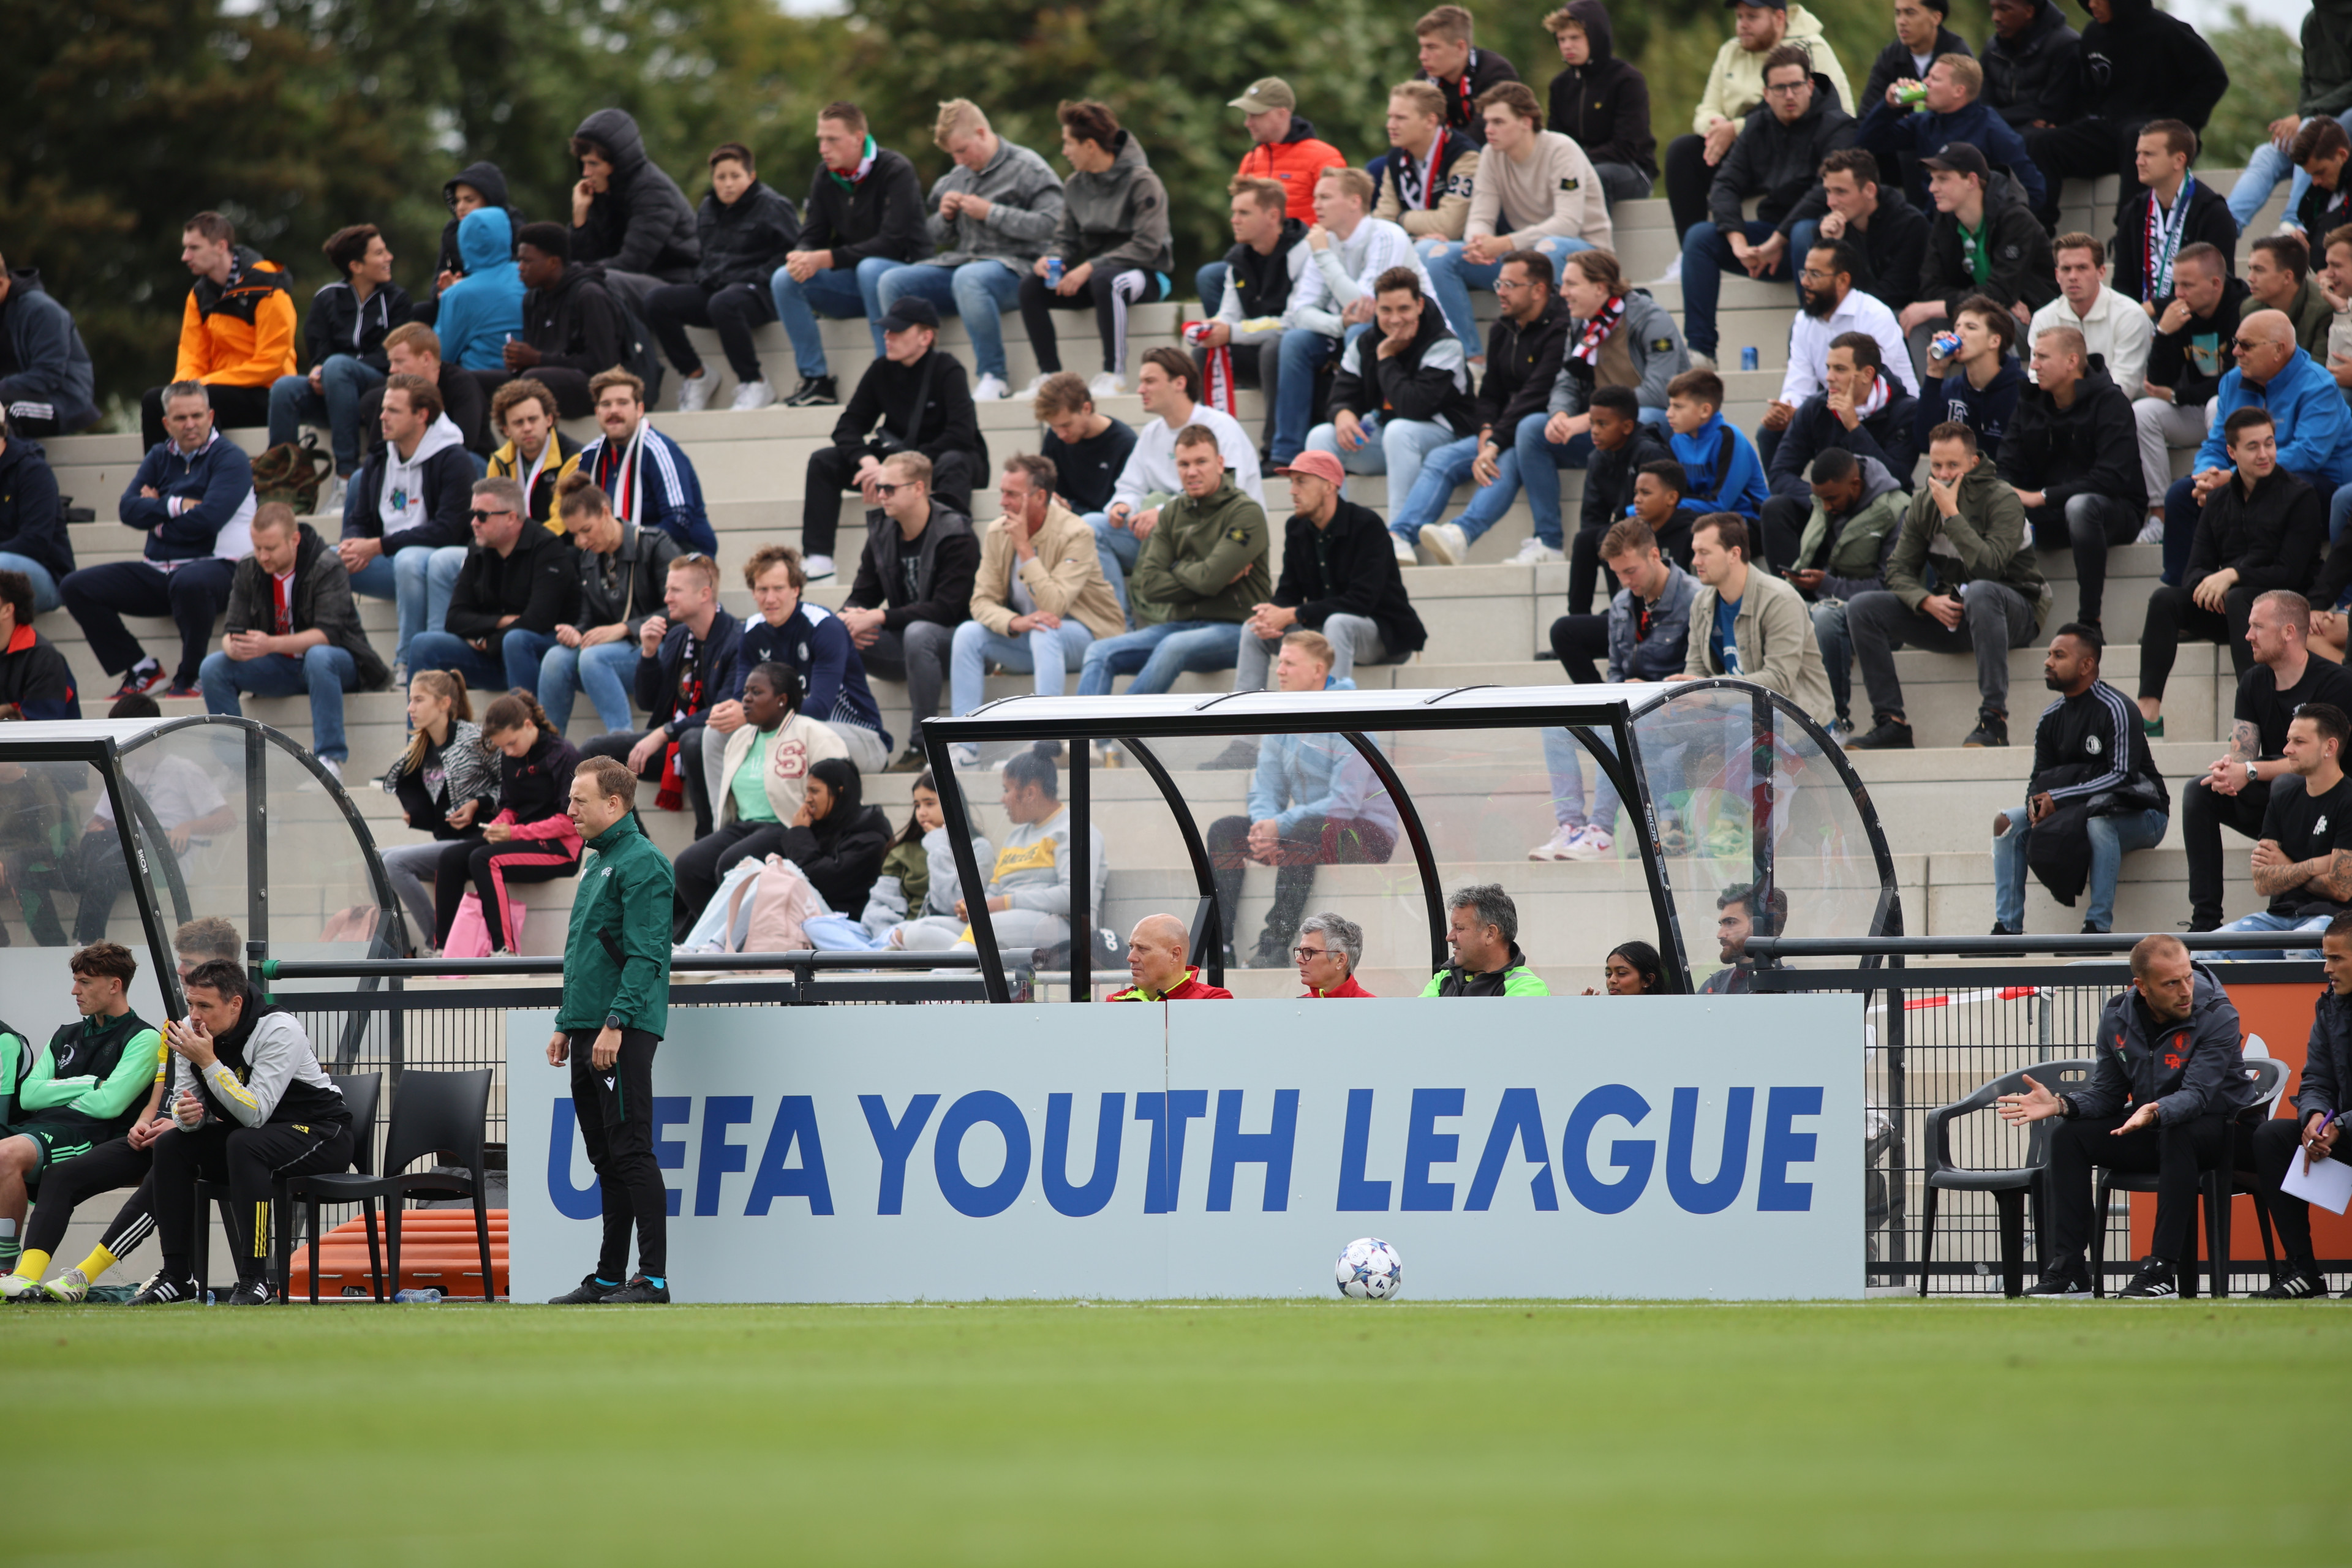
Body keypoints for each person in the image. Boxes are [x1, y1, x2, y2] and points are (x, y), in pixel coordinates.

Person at [2003, 934, 2261, 1298]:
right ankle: (2070, 1268)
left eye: (2187, 977)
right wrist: (2063, 1105)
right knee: (2068, 1136)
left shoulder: (2218, 1013)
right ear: (2141, 986)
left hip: (2227, 1130)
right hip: (2157, 1125)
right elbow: (2108, 1094)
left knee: (2178, 1131)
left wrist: (2155, 1112)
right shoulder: (2116, 1016)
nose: (2185, 990)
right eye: (2171, 983)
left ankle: (2160, 1270)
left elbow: (2197, 1097)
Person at [130, 958, 353, 1306]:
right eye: (191, 1003)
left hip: (321, 1135)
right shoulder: (192, 1028)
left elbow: (254, 1113)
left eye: (205, 1005)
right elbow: (186, 1106)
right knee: (173, 1143)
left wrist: (209, 1061)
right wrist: (188, 1117)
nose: (195, 1015)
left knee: (245, 1143)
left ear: (235, 1004)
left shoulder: (279, 1029)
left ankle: (255, 1278)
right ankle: (177, 1276)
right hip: (250, 1141)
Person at [545, 754, 675, 1305]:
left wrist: (615, 1023)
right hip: (588, 1031)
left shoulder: (642, 862)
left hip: (618, 1031)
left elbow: (647, 955)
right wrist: (565, 1023)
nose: (569, 808)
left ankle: (653, 1279)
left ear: (614, 804)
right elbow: (588, 954)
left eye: (580, 799)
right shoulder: (601, 860)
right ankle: (607, 1277)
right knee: (606, 1158)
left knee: (631, 1151)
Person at [1846, 421, 2048, 749]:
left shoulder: (2003, 499)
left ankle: (1994, 719)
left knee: (1982, 592)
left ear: (1974, 462)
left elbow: (1989, 568)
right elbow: (1897, 569)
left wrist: (1952, 514)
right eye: (1937, 465)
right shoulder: (1924, 503)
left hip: (2016, 610)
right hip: (1956, 613)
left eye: (1953, 465)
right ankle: (1892, 723)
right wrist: (1926, 601)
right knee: (1863, 608)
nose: (1943, 474)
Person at [1207, 631, 1398, 966]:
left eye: (1289, 663)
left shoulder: (1349, 717)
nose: (1279, 670)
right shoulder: (1280, 721)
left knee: (1308, 828)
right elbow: (1265, 789)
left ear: (1318, 670)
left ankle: (1275, 943)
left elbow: (1344, 804)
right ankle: (1221, 947)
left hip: (1366, 834)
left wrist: (1280, 824)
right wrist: (1264, 826)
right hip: (1306, 831)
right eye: (1279, 662)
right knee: (1224, 831)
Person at [66, 380, 252, 700]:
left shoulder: (231, 459)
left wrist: (157, 518)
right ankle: (142, 669)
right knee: (76, 586)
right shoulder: (158, 455)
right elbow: (127, 509)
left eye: (197, 415)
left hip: (219, 570)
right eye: (180, 418)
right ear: (167, 423)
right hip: (161, 571)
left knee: (189, 581)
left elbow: (208, 522)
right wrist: (177, 505)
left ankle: (192, 676)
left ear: (210, 416)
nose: (190, 424)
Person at [1387, 249, 1572, 566]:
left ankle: (1461, 534)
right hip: (1502, 431)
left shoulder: (1562, 327)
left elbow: (1537, 393)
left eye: (1509, 285)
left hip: (1541, 430)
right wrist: (1487, 431)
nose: (1499, 291)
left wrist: (1495, 442)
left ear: (1539, 289)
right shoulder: (1503, 328)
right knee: (1441, 458)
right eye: (1499, 282)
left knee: (1512, 451)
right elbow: (1488, 394)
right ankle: (1400, 536)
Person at [2181, 590, 2352, 928]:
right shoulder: (2253, 681)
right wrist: (2229, 770)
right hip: (2279, 801)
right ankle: (2205, 921)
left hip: (2328, 803)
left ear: (2289, 632)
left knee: (2288, 783)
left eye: (2257, 627)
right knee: (2199, 792)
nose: (2247, 636)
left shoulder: (2337, 682)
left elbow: (2316, 763)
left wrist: (2250, 769)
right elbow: (2243, 754)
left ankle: (2292, 891)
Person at [1534, 517, 1699, 861]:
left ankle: (1601, 831)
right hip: (1632, 707)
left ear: (1655, 555)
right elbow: (1615, 669)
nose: (1624, 582)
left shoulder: (1695, 598)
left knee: (1615, 728)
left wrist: (1649, 690)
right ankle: (1571, 827)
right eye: (1617, 574)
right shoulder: (1624, 603)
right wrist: (1621, 689)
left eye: (1631, 571)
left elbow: (1698, 673)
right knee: (1555, 726)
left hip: (1676, 713)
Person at [1678, 46, 1852, 372]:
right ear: (1765, 93)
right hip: (1771, 244)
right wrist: (1739, 244)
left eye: (1796, 86)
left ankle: (1816, 345)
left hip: (1823, 237)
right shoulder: (1757, 127)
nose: (1789, 95)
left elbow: (1823, 193)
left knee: (1804, 232)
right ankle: (1701, 353)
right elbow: (1724, 185)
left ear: (1810, 86)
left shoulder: (1837, 125)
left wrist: (1777, 242)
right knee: (1699, 238)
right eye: (1780, 88)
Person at [1989, 625, 2169, 937]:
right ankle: (2007, 929)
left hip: (2143, 814)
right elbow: (2038, 780)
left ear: (2087, 665)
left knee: (2099, 823)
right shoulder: (2050, 718)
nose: (2048, 662)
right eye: (2048, 655)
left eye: (2059, 656)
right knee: (2007, 823)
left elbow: (2122, 776)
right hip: (2079, 811)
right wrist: (2035, 807)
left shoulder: (2118, 709)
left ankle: (2098, 926)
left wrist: (2059, 798)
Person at [877, 100, 1062, 404]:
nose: (958, 160)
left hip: (1018, 270)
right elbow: (931, 237)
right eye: (952, 154)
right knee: (893, 281)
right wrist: (946, 217)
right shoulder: (957, 176)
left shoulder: (1029, 168)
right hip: (965, 265)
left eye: (962, 150)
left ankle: (994, 377)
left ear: (981, 132)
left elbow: (1054, 225)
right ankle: (911, 376)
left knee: (969, 279)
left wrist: (992, 213)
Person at [0, 943, 163, 1280]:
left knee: (5, 1155)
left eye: (85, 982)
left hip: (87, 1137)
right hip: (38, 1126)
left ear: (114, 985)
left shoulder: (143, 1038)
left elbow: (109, 1106)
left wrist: (56, 1091)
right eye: (76, 981)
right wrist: (89, 1083)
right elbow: (29, 1096)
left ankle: (4, 1270)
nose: (75, 991)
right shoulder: (66, 1034)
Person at [1517, 251, 1687, 565]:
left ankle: (1643, 534)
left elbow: (1661, 392)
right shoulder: (1582, 324)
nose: (1562, 292)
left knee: (1646, 420)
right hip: (1605, 431)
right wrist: (1560, 415)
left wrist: (1588, 422)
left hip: (1655, 430)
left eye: (1570, 284)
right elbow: (1566, 381)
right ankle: (1549, 542)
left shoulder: (1650, 318)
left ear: (1600, 287)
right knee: (1531, 429)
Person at [198, 502, 390, 781]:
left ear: (295, 539)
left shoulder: (327, 565)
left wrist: (269, 645)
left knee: (318, 655)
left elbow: (328, 634)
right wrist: (235, 647)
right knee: (213, 667)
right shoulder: (249, 568)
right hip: (283, 668)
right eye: (258, 547)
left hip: (341, 664)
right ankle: (239, 765)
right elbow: (233, 630)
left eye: (271, 548)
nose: (263, 556)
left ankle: (329, 758)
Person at [1417, 81, 1611, 358]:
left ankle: (1552, 351)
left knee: (1549, 248)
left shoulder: (1561, 149)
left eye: (1498, 122)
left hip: (1583, 255)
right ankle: (1470, 357)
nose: (1488, 130)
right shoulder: (1490, 155)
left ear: (1525, 122)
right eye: (1486, 122)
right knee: (1435, 255)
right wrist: (1479, 243)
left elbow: (1568, 224)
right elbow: (1481, 216)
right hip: (1526, 258)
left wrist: (1504, 243)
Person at [803, 295, 986, 583]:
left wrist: (897, 469)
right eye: (887, 330)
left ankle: (952, 550)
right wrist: (869, 462)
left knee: (954, 462)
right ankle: (819, 560)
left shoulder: (947, 369)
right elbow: (847, 426)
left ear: (926, 337)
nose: (888, 337)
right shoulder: (881, 370)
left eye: (898, 331)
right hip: (893, 461)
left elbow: (960, 435)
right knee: (824, 461)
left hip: (944, 459)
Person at [2164, 311, 2352, 590]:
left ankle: (2268, 586)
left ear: (2279, 350)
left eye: (2247, 345)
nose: (2236, 352)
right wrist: (2207, 475)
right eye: (2236, 342)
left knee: (2284, 489)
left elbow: (2308, 454)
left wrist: (2232, 477)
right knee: (2183, 494)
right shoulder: (2231, 381)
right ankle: (2184, 595)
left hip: (2316, 485)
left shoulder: (2318, 384)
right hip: (2249, 478)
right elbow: (2217, 443)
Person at [1078, 425, 1270, 697]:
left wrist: (1180, 570)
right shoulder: (1171, 513)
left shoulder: (1246, 512)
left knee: (1173, 646)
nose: (1192, 471)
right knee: (1099, 652)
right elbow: (1150, 585)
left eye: (1201, 462)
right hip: (1180, 625)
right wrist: (1205, 575)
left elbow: (1210, 580)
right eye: (1184, 464)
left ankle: (1111, 735)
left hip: (1237, 629)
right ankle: (1081, 738)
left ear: (1220, 463)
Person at [765, 102, 930, 410]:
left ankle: (890, 374)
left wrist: (825, 259)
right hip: (854, 282)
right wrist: (802, 257)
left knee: (871, 269)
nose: (823, 148)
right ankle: (816, 381)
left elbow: (892, 244)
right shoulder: (825, 175)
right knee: (785, 280)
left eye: (832, 139)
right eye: (820, 139)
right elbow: (811, 235)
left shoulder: (896, 169)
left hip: (904, 281)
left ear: (858, 138)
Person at [951, 453, 1124, 744]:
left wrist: (1023, 547)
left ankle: (1044, 741)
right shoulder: (998, 531)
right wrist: (1016, 622)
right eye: (1002, 492)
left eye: (1011, 494)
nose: (1003, 502)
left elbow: (1054, 606)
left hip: (1091, 639)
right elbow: (980, 601)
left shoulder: (1077, 532)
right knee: (967, 635)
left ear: (1040, 496)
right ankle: (962, 748)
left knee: (1045, 630)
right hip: (1033, 638)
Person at [2018, 0, 2230, 231]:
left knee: (2136, 135)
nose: (2092, 5)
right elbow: (2087, 95)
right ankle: (2035, 232)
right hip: (2112, 132)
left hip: (2162, 138)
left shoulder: (2166, 30)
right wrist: (2061, 123)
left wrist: (2178, 124)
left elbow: (2214, 78)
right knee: (2040, 141)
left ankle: (2130, 232)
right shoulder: (2093, 34)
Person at [1265, 167, 1428, 466]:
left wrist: (1325, 257)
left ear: (1355, 202)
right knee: (1295, 342)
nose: (1315, 206)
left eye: (1325, 197)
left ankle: (1363, 428)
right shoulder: (1325, 240)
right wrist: (1338, 324)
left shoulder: (1387, 235)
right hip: (1353, 331)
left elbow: (1368, 307)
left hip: (1415, 337)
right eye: (1315, 198)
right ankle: (1286, 453)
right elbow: (1300, 312)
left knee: (1360, 333)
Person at [673, 662, 851, 932]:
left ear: (782, 700)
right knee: (688, 866)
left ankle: (733, 940)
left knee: (732, 863)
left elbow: (840, 788)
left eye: (757, 692)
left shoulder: (815, 734)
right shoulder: (740, 737)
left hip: (789, 827)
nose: (746, 698)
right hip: (743, 825)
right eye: (746, 691)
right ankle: (723, 936)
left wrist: (810, 826)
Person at [1018, 100, 1173, 400]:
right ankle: (1050, 375)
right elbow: (1066, 239)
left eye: (1068, 143)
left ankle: (1114, 375)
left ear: (1089, 146)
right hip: (1094, 278)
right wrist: (1053, 260)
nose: (1064, 152)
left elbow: (1147, 246)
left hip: (1146, 276)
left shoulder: (1144, 182)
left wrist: (1090, 267)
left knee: (1107, 280)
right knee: (1030, 286)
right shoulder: (1075, 185)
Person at [1235, 450, 1425, 693]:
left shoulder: (1367, 525)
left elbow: (1361, 601)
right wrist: (1272, 615)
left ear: (1329, 486)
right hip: (1324, 631)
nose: (1292, 491)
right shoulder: (1297, 528)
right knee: (1253, 631)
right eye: (1292, 482)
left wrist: (1295, 613)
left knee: (1339, 623)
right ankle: (1243, 730)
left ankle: (1331, 728)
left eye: (1301, 481)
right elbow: (1288, 591)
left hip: (1383, 636)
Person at [580, 552, 741, 839]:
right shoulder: (679, 636)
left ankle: (708, 841)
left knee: (694, 740)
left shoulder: (736, 638)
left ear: (705, 594)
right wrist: (649, 653)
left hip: (714, 743)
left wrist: (666, 732)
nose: (666, 598)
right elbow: (648, 702)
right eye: (667, 589)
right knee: (595, 751)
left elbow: (722, 711)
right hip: (675, 740)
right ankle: (636, 848)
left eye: (675, 590)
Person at [1668, 0, 1858, 241]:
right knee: (1682, 152)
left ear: (1779, 18)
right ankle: (1687, 249)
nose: (1742, 25)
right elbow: (1706, 108)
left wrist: (1734, 129)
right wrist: (1717, 127)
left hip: (1802, 149)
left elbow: (1822, 108)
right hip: (1750, 148)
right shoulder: (1730, 51)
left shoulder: (1811, 49)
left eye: (1752, 17)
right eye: (1739, 17)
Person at [894, 742, 1105, 957]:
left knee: (989, 926)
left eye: (1007, 790)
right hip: (1003, 923)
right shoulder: (1015, 837)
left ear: (1030, 793)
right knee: (917, 931)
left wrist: (1003, 903)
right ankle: (995, 966)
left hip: (1057, 927)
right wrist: (974, 906)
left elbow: (1073, 897)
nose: (1002, 799)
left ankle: (952, 978)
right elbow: (995, 889)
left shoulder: (1075, 830)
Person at [704, 543, 891, 784]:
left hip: (860, 738)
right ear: (753, 593)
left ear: (796, 589)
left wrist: (752, 713)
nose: (770, 599)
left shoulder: (825, 627)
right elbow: (743, 698)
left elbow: (819, 709)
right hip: (791, 731)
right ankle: (725, 821)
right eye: (762, 589)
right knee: (713, 735)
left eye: (778, 588)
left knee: (796, 732)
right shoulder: (751, 631)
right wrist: (730, 711)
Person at [1091, 349, 1262, 609]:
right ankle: (1119, 624)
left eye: (1150, 381)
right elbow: (1130, 486)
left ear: (1180, 383)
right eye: (1141, 382)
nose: (1140, 390)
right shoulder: (1151, 434)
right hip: (1170, 538)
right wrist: (1123, 505)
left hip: (1217, 539)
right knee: (1093, 527)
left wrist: (1162, 512)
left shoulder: (1221, 427)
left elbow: (1227, 494)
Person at [1998, 323, 2144, 628]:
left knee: (2080, 507)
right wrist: (2009, 494)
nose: (2033, 365)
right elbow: (2006, 465)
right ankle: (2002, 613)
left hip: (2111, 513)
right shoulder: (2029, 402)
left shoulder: (2111, 402)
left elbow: (2111, 478)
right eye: (2033, 356)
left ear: (2072, 361)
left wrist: (2042, 497)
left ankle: (2090, 620)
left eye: (2041, 357)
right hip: (2047, 516)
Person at [1302, 266, 1477, 514]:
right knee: (1320, 437)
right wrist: (1342, 414)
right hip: (1394, 443)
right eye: (1386, 310)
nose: (1395, 319)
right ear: (1376, 308)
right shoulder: (1365, 343)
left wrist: (1386, 358)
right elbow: (1341, 395)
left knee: (1399, 431)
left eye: (1403, 309)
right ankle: (1333, 538)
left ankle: (1398, 538)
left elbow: (1412, 407)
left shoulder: (1444, 345)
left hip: (1446, 439)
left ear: (1419, 305)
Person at [841, 450, 978, 767]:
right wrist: (847, 618)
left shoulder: (956, 533)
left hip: (957, 645)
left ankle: (923, 744)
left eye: (890, 488)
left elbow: (946, 609)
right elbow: (862, 594)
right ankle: (858, 742)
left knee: (919, 633)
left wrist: (880, 616)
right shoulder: (882, 534)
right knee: (836, 632)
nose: (881, 495)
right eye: (879, 488)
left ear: (918, 488)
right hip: (908, 646)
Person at [648, 141, 801, 414]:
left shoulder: (773, 206)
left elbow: (791, 256)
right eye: (721, 177)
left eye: (735, 176)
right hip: (719, 291)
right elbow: (706, 256)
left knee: (724, 303)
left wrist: (752, 278)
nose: (727, 184)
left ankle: (754, 382)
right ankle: (696, 376)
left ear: (751, 177)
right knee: (657, 301)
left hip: (760, 295)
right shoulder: (708, 209)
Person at [336, 371, 472, 673]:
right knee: (328, 562)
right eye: (384, 409)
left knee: (409, 561)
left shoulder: (454, 459)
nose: (382, 417)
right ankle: (356, 659)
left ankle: (406, 660)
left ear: (422, 415)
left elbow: (447, 531)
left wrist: (379, 545)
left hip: (438, 563)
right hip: (388, 558)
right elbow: (359, 519)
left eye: (393, 411)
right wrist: (354, 544)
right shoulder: (379, 459)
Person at [2248, 908, 2352, 1297]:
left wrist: (2340, 1124)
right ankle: (2303, 1272)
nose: (2326, 968)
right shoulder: (2329, 1005)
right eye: (2325, 957)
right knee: (2272, 1136)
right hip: (2341, 1131)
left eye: (2336, 958)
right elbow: (2317, 1078)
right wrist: (2313, 1118)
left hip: (2345, 1128)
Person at [431, 690, 581, 956]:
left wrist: (513, 833)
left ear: (528, 725)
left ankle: (505, 949)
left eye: (511, 743)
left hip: (559, 849)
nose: (508, 751)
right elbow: (511, 805)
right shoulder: (508, 757)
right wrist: (497, 826)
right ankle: (444, 949)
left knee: (485, 859)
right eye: (502, 747)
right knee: (450, 858)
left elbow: (569, 821)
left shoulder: (563, 753)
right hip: (522, 840)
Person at [70, 703, 235, 943]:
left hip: (165, 858)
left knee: (102, 862)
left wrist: (187, 827)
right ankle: (79, 942)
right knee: (52, 861)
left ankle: (87, 945)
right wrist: (96, 829)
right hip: (123, 853)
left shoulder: (183, 770)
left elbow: (228, 820)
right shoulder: (122, 770)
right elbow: (99, 821)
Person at [265, 224, 411, 488]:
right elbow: (319, 349)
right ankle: (281, 481)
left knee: (338, 366)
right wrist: (320, 371)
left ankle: (345, 477)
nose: (389, 257)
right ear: (356, 266)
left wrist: (334, 369)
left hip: (374, 386)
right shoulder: (327, 297)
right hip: (334, 389)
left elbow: (391, 356)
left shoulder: (397, 300)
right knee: (284, 387)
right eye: (379, 253)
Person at [404, 477, 575, 699]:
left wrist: (487, 639)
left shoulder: (546, 547)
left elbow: (537, 620)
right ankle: (419, 734)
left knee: (517, 640)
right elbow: (455, 618)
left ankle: (527, 728)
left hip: (540, 653)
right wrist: (499, 623)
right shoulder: (478, 548)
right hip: (495, 658)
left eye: (482, 516)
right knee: (423, 644)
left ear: (512, 518)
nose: (474, 522)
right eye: (472, 515)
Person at [538, 471, 680, 734]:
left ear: (606, 513)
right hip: (615, 651)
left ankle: (621, 746)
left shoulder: (654, 543)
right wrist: (577, 632)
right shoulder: (590, 557)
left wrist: (626, 628)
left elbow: (681, 610)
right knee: (555, 658)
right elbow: (588, 615)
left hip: (658, 651)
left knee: (593, 658)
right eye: (574, 535)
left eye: (586, 530)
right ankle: (548, 749)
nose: (581, 542)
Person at [139, 212, 294, 450]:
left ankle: (203, 478)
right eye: (185, 248)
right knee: (155, 400)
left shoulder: (267, 286)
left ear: (221, 246)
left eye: (194, 248)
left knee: (207, 399)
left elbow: (269, 364)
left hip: (268, 394)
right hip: (217, 389)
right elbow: (191, 355)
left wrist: (204, 385)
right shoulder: (199, 294)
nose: (185, 257)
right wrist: (180, 390)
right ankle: (158, 483)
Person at [2208, 703, 2352, 958]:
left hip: (2336, 921)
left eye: (2299, 742)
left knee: (2299, 954)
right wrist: (2318, 865)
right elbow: (2263, 882)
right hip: (2279, 917)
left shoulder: (2348, 801)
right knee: (2203, 953)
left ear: (2329, 747)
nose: (2287, 749)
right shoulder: (2283, 798)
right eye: (2288, 740)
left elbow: (2341, 887)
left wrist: (2286, 865)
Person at [1762, 330, 1919, 557]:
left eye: (1840, 369)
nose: (1828, 377)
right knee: (1775, 508)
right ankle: (1791, 590)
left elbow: (1899, 479)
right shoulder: (1816, 408)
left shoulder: (1905, 411)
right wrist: (1826, 500)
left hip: (1879, 513)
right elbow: (1780, 473)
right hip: (1827, 512)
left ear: (1867, 374)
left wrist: (1854, 427)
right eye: (1828, 368)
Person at [1783, 448, 1908, 734]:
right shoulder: (1826, 501)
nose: (1826, 507)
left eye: (1831, 499)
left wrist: (1827, 585)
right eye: (1820, 499)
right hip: (1827, 600)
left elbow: (1890, 588)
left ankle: (1833, 721)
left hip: (1877, 620)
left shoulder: (1896, 510)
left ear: (1855, 484)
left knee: (1826, 618)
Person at [377, 670, 499, 957]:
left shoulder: (475, 738)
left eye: (419, 700)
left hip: (480, 838)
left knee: (394, 863)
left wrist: (478, 804)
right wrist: (419, 814)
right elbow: (411, 788)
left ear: (444, 703)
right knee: (375, 860)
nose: (411, 708)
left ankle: (440, 939)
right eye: (410, 700)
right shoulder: (420, 748)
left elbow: (508, 785)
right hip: (448, 842)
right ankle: (401, 950)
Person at [2133, 243, 2248, 543]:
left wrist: (2177, 397)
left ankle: (2227, 500)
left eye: (2187, 285)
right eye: (2176, 284)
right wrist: (2164, 333)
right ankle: (2158, 516)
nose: (2179, 293)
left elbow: (2235, 379)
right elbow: (2158, 381)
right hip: (2195, 407)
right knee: (2143, 413)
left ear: (2215, 283)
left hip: (2233, 406)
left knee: (2216, 403)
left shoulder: (2242, 308)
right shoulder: (2178, 311)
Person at [1192, 177, 1313, 457]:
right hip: (1260, 350)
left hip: (1301, 355)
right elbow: (1229, 314)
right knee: (1201, 353)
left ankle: (1274, 451)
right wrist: (1215, 328)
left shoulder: (1304, 252)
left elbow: (1293, 321)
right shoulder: (1239, 258)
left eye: (1243, 213)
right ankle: (1206, 450)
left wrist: (1231, 331)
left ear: (1273, 216)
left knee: (1276, 348)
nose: (1234, 220)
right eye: (1234, 212)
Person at [1672, 513, 1834, 719]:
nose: (1695, 561)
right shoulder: (1701, 602)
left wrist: (1712, 693)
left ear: (1734, 554)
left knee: (1742, 715)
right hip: (1734, 711)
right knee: (1663, 719)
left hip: (1797, 718)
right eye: (1695, 552)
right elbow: (1695, 669)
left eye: (1704, 552)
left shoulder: (1780, 599)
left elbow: (1779, 680)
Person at [1770, 236, 1920, 454]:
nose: (1804, 282)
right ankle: (1793, 491)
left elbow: (1871, 386)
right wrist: (1786, 410)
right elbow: (1798, 384)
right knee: (1770, 433)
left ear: (1843, 280)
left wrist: (1814, 413)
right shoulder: (1803, 321)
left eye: (1815, 274)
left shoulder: (1875, 315)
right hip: (1836, 408)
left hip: (1886, 413)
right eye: (1805, 273)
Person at [1900, 142, 2056, 345]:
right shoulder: (1947, 218)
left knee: (1990, 325)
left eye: (1943, 179)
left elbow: (2001, 291)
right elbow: (1931, 286)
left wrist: (1938, 307)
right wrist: (1990, 301)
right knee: (1920, 326)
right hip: (1982, 313)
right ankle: (1933, 378)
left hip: (2035, 318)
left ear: (1971, 180)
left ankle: (2004, 378)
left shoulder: (2015, 218)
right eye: (1932, 179)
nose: (1932, 188)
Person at [1858, 51, 2044, 219]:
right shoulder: (1925, 121)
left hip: (1975, 230)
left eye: (1935, 79)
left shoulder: (1994, 131)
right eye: (1928, 76)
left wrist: (1990, 226)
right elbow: (1868, 142)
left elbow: (2034, 191)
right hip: (1934, 226)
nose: (1926, 83)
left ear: (1959, 91)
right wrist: (1888, 106)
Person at [567, 108, 701, 322]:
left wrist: (573, 273)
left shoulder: (653, 192)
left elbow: (632, 263)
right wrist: (580, 218)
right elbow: (589, 259)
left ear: (617, 162)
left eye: (593, 164)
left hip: (674, 284)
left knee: (599, 282)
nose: (585, 174)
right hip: (637, 283)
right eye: (583, 163)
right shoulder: (601, 193)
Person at [489, 223, 630, 420]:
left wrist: (538, 359)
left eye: (527, 261)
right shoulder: (532, 299)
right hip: (545, 379)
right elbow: (536, 357)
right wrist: (518, 360)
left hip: (597, 387)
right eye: (518, 260)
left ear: (553, 263)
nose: (519, 268)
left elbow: (603, 366)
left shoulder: (589, 296)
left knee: (534, 380)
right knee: (475, 381)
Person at [574, 367, 714, 556]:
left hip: (674, 558)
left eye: (622, 403)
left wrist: (628, 545)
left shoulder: (659, 450)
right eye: (606, 404)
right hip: (614, 555)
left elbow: (679, 520)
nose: (614, 411)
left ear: (640, 409)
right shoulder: (590, 456)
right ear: (597, 412)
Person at [1779, 148, 1931, 315]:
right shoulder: (1827, 227)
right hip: (1847, 310)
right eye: (1828, 192)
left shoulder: (1910, 224)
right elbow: (1817, 290)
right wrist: (1832, 247)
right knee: (1802, 323)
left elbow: (1895, 293)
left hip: (1894, 312)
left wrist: (1839, 308)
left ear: (1870, 191)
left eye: (1841, 192)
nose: (1831, 202)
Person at [1568, 387, 1676, 612]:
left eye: (1603, 424)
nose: (1594, 432)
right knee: (1584, 539)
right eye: (1592, 423)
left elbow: (1662, 504)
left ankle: (1625, 612)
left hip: (1655, 528)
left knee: (1607, 535)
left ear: (1627, 426)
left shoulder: (1649, 451)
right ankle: (1578, 615)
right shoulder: (1597, 458)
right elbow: (1592, 515)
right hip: (1621, 527)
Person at [1542, 1, 1656, 206]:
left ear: (1595, 37)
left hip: (1631, 170)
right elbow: (1555, 141)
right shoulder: (1560, 86)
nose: (1567, 45)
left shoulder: (1627, 80)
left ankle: (1595, 239)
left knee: (1592, 178)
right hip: (1575, 168)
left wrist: (1576, 161)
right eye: (1561, 39)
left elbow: (1626, 147)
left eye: (1575, 37)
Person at [2027, 232, 2153, 401]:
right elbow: (2037, 379)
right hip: (2062, 410)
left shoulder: (2130, 315)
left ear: (2101, 272)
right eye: (2066, 269)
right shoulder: (2043, 318)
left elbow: (2124, 385)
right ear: (2057, 275)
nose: (2073, 277)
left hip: (2123, 411)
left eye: (2082, 268)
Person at [357, 320, 492, 464]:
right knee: (360, 478)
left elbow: (464, 442)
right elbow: (378, 446)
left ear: (426, 359)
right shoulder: (393, 392)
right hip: (409, 463)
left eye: (399, 361)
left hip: (465, 461)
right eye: (391, 362)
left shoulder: (462, 384)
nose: (392, 370)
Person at [1222, 76, 1347, 232]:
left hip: (1309, 253)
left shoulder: (1324, 157)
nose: (1247, 123)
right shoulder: (1250, 160)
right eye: (1247, 115)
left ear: (1282, 114)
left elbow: (1340, 218)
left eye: (1256, 115)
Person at [415, 161, 525, 332]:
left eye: (469, 200)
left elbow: (520, 273)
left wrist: (465, 286)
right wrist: (445, 286)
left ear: (490, 199)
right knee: (415, 315)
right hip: (459, 301)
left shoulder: (513, 226)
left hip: (499, 301)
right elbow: (438, 278)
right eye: (457, 200)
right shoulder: (452, 231)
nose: (461, 207)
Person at [1914, 292, 2025, 459]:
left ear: (1994, 341)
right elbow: (1924, 442)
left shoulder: (2021, 392)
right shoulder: (1950, 389)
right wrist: (1935, 372)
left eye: (1970, 327)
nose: (1959, 334)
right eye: (1957, 327)